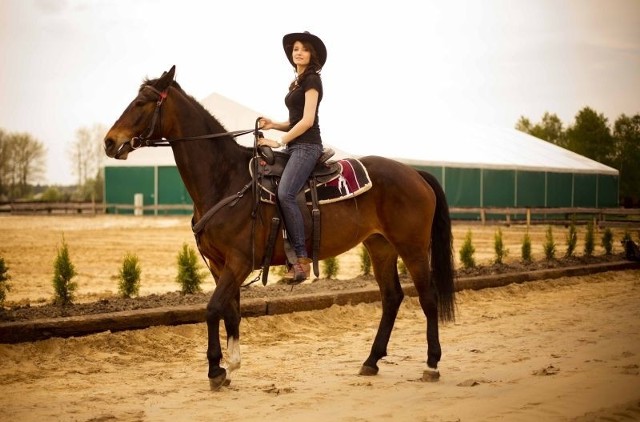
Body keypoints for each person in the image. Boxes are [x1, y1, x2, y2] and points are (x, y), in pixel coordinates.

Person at [258, 31, 327, 283]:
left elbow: (308, 122)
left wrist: (279, 141)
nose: (298, 52)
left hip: (307, 147)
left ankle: (300, 259)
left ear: (312, 55)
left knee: (285, 193)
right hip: (294, 146)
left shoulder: (312, 81)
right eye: (295, 48)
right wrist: (273, 124)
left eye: (304, 49)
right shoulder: (296, 82)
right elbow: (295, 121)